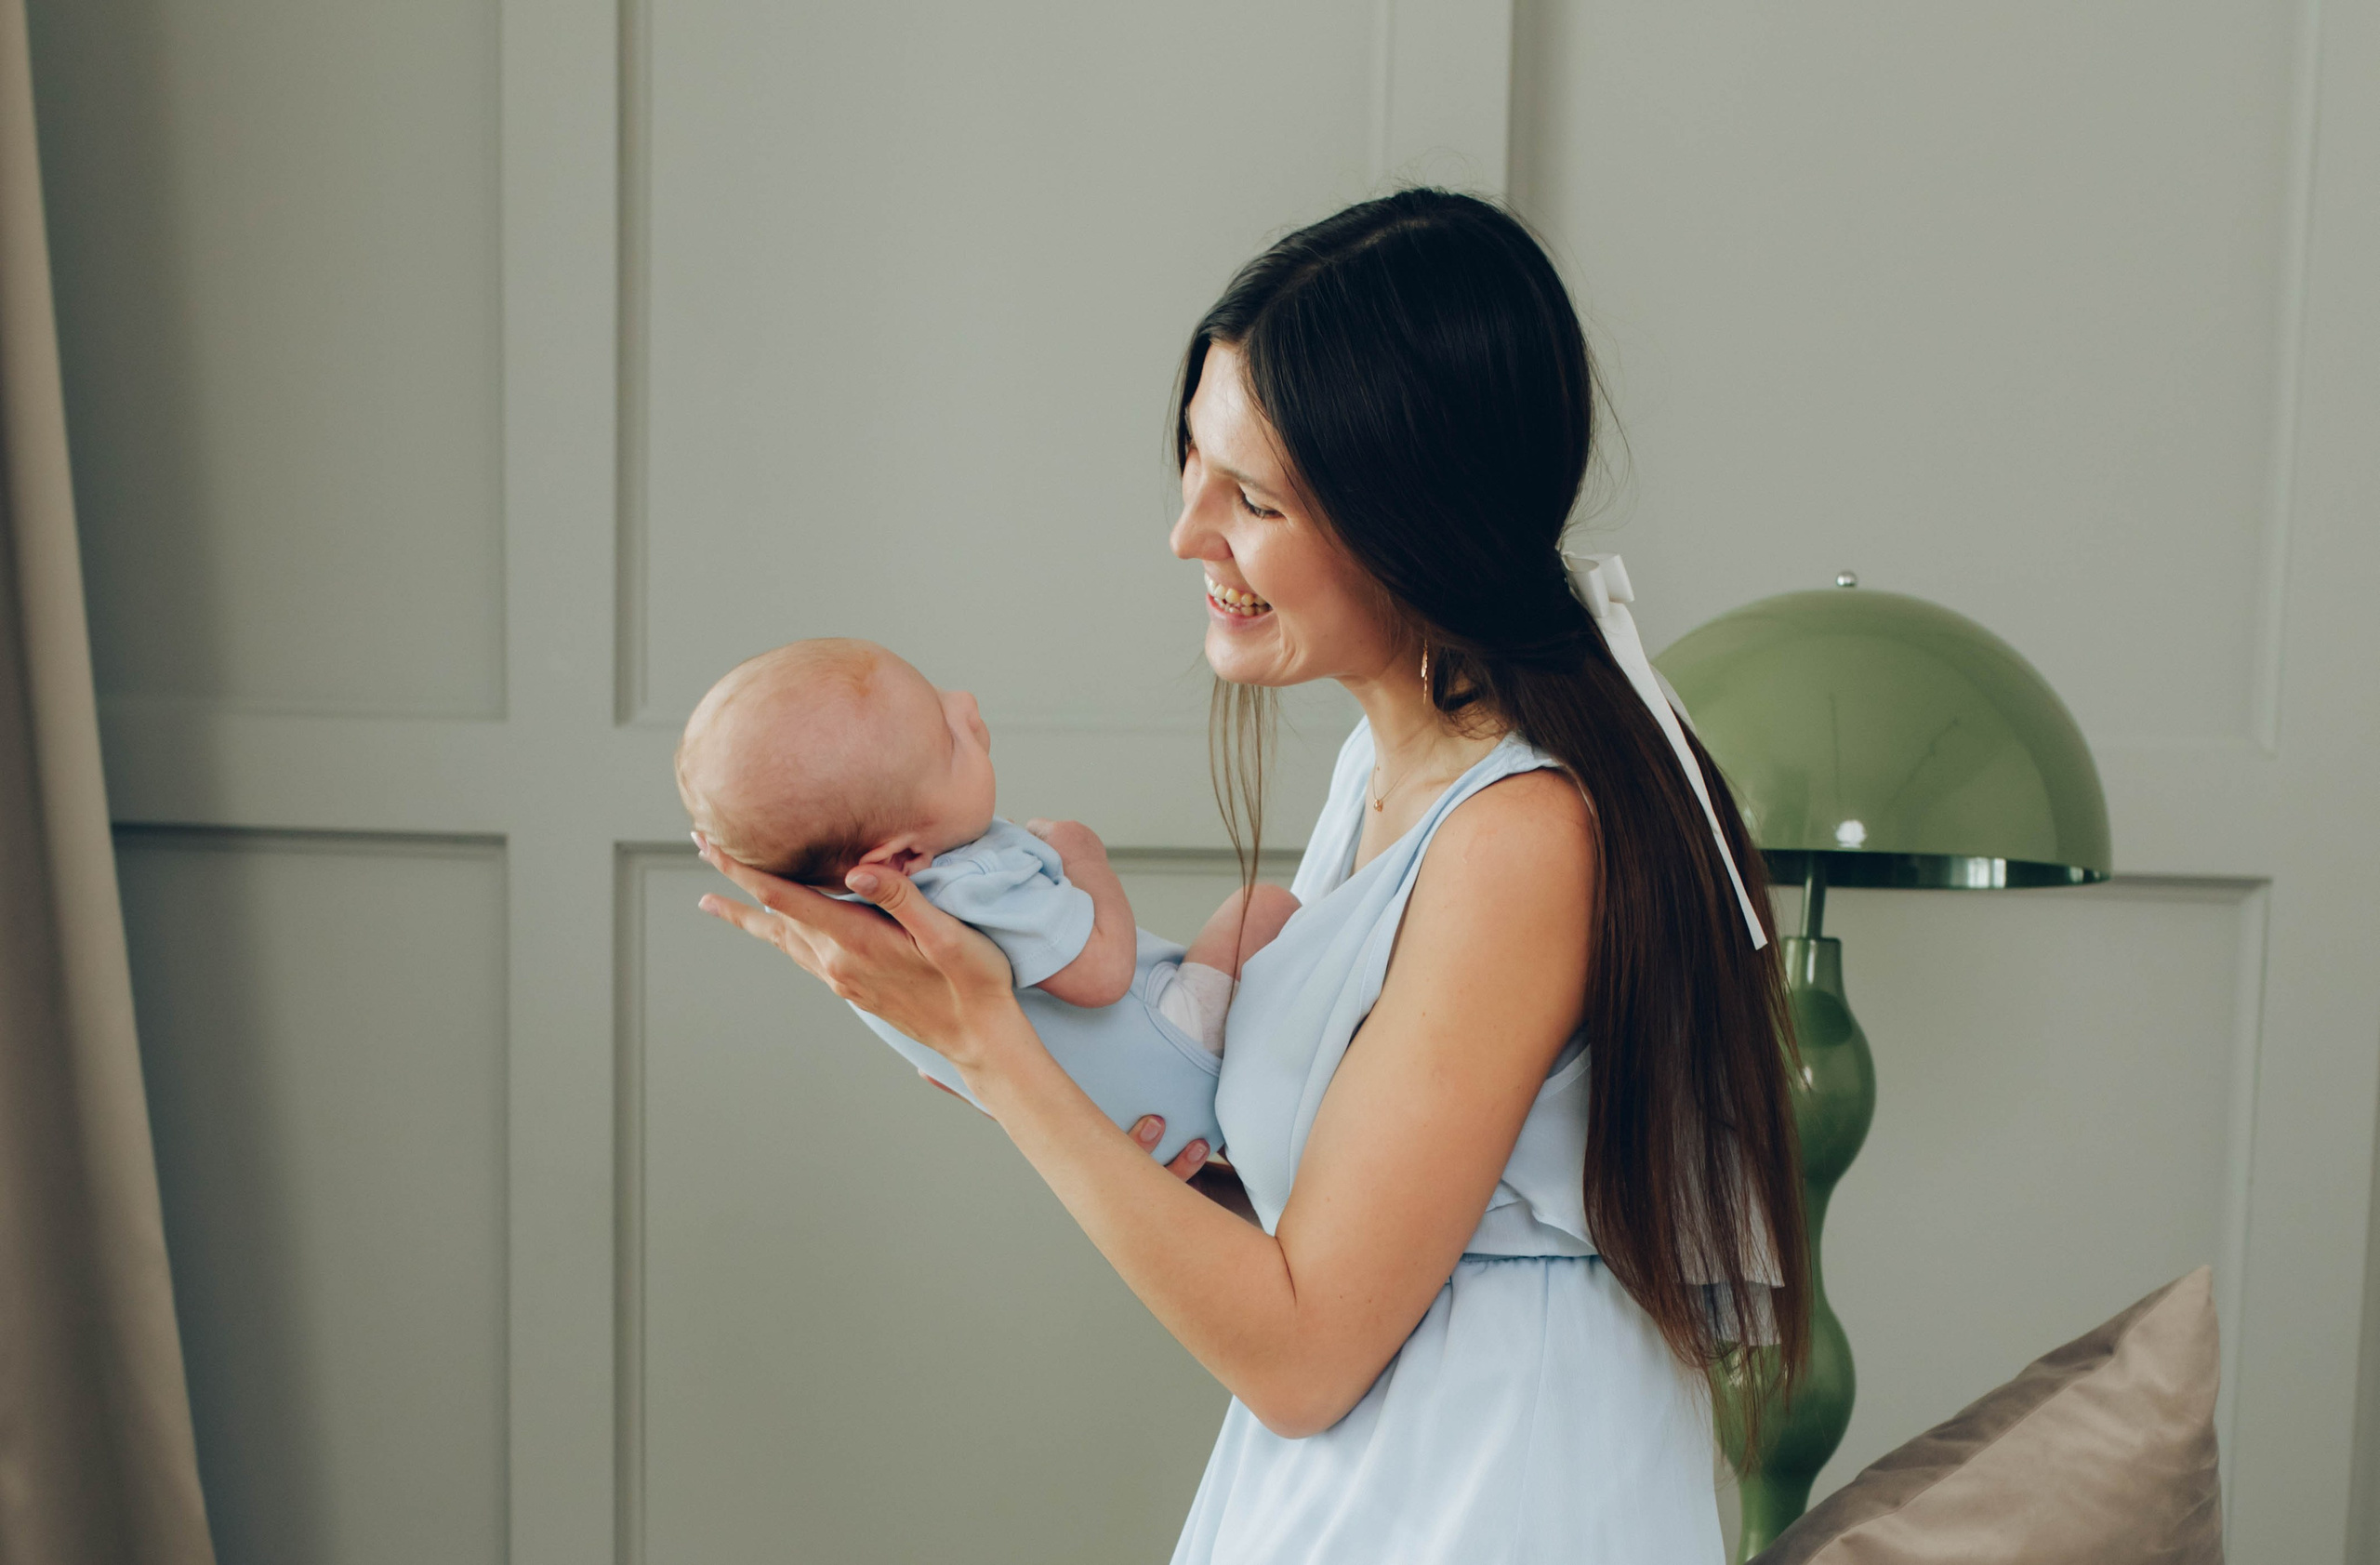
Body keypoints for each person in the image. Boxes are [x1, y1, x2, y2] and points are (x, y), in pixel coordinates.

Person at [694, 188, 1810, 1562]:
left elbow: (1303, 1352)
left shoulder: (1526, 837)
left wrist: (991, 1044)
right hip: (1366, 1482)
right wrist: (1034, 1039)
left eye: (1255, 498)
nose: (1189, 533)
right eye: (1192, 465)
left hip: (1486, 1495)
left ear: (1419, 522)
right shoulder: (1382, 773)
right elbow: (1300, 1226)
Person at [677, 635, 1294, 1160]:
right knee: (1260, 907)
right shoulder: (970, 883)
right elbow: (1103, 973)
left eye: (939, 697)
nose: (966, 707)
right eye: (949, 740)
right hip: (1178, 1051)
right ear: (899, 857)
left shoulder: (862, 946)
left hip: (1114, 1131)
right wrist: (1087, 859)